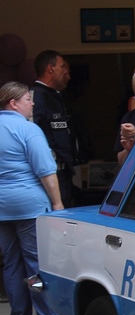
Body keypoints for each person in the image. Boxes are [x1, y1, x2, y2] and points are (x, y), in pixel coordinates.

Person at [0, 81, 69, 315]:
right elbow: (46, 170)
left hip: (1, 208)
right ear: (13, 103)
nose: (32, 103)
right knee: (36, 264)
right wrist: (57, 203)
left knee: (11, 264)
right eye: (28, 99)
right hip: (29, 206)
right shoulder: (28, 129)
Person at [31, 50, 76, 207]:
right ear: (50, 69)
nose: (66, 73)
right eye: (62, 66)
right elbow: (31, 135)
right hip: (48, 173)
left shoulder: (57, 96)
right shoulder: (35, 97)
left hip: (64, 172)